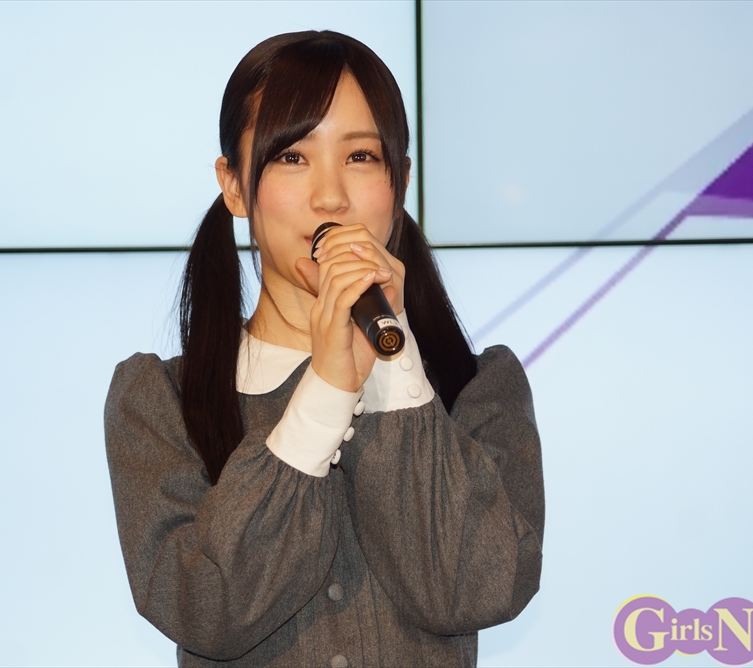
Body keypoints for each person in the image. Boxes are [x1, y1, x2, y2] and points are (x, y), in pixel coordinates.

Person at [104, 30, 544, 667]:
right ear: (234, 185)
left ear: (400, 181)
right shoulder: (157, 402)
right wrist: (327, 389)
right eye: (292, 157)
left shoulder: (478, 389)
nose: (331, 196)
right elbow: (206, 609)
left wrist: (391, 365)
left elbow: (477, 588)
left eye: (361, 156)